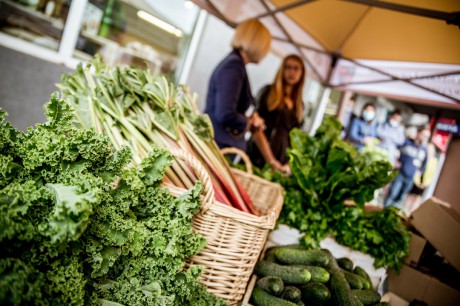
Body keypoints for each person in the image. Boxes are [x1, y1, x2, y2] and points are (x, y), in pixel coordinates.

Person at [204, 19, 271, 153]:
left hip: (220, 143)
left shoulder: (236, 64)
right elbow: (225, 113)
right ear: (257, 43)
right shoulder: (233, 67)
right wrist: (249, 122)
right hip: (219, 145)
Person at [248, 54, 305, 172]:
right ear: (282, 69)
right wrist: (271, 161)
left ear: (302, 73)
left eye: (296, 68)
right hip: (258, 159)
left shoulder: (300, 106)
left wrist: (288, 165)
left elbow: (296, 142)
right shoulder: (268, 92)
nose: (291, 72)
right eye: (288, 67)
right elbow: (256, 128)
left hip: (280, 167)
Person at [384, 127, 431, 209]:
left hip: (411, 177)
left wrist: (420, 171)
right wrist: (395, 160)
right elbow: (395, 150)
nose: (425, 138)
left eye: (427, 137)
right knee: (392, 194)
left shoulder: (424, 149)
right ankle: (382, 212)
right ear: (418, 133)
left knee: (400, 197)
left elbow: (425, 163)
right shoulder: (407, 142)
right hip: (400, 173)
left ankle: (391, 215)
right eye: (424, 135)